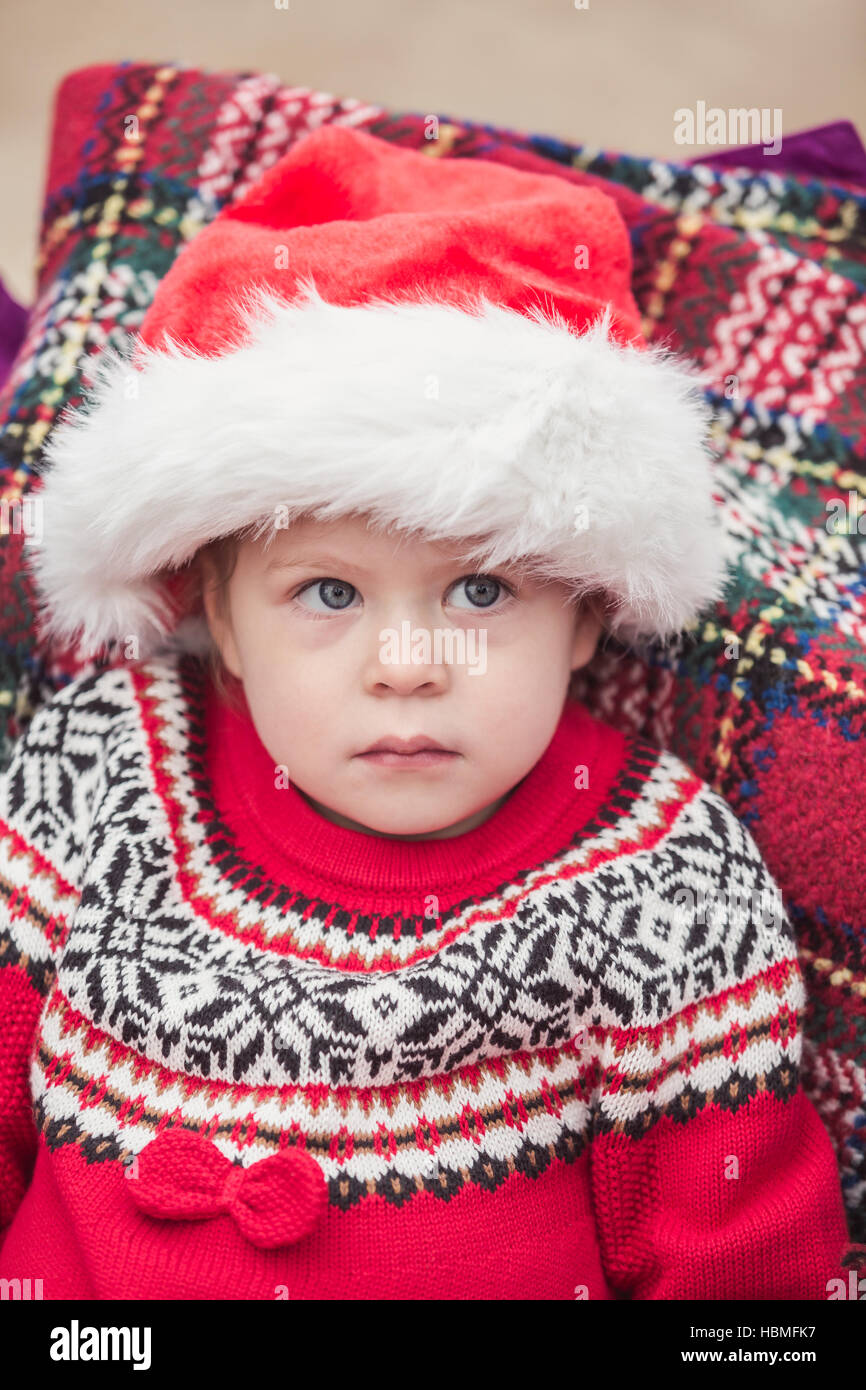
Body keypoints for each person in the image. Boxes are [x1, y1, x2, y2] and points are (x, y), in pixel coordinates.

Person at [0, 125, 851, 1299]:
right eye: (329, 593)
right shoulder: (103, 768)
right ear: (223, 621)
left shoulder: (660, 884)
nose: (406, 663)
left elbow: (738, 1272)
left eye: (482, 589)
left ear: (588, 614)